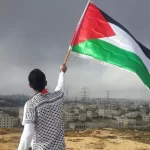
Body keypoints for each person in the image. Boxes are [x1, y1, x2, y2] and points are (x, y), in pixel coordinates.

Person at [18, 64, 67, 150]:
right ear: (46, 83)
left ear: (30, 85)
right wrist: (62, 72)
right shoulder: (57, 97)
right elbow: (61, 86)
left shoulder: (31, 105)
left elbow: (27, 135)